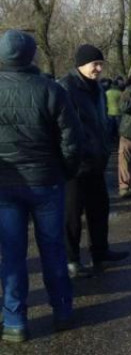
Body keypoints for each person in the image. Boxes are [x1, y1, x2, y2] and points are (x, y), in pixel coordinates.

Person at [0, 31, 83, 342]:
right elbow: (72, 140)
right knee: (52, 249)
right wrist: (66, 172)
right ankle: (61, 311)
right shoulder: (51, 89)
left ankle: (15, 322)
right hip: (47, 182)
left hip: (5, 187)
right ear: (32, 55)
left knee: (12, 256)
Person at [59, 44, 130, 279]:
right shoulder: (65, 87)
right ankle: (71, 260)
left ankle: (100, 251)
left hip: (96, 160)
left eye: (101, 64)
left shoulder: (97, 88)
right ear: (81, 64)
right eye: (95, 64)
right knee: (72, 216)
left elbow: (98, 123)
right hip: (74, 163)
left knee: (99, 209)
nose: (99, 69)